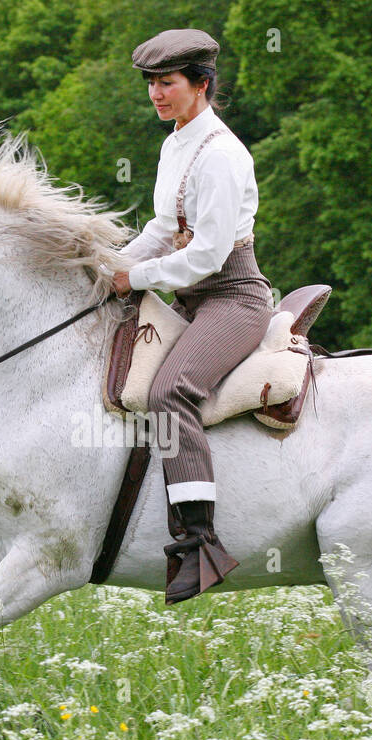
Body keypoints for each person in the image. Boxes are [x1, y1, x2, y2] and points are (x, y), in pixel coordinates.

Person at [111, 28, 275, 605]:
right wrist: (111, 265)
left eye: (168, 83)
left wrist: (137, 277)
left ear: (201, 85)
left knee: (170, 392)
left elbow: (207, 254)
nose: (157, 93)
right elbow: (161, 227)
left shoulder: (224, 156)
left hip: (231, 298)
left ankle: (200, 542)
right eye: (152, 84)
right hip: (189, 296)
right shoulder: (175, 143)